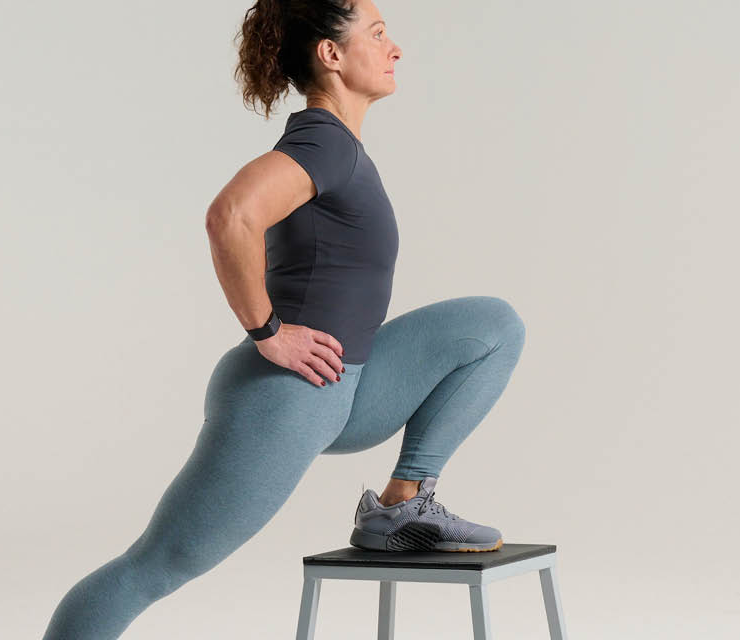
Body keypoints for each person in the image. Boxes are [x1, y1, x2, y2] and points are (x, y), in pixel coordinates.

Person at [41, 1, 525, 637]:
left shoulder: (340, 146)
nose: (395, 48)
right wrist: (267, 332)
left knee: (492, 327)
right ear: (331, 54)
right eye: (378, 34)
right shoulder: (323, 141)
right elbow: (231, 215)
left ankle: (402, 506)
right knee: (155, 566)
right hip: (286, 396)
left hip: (346, 384)